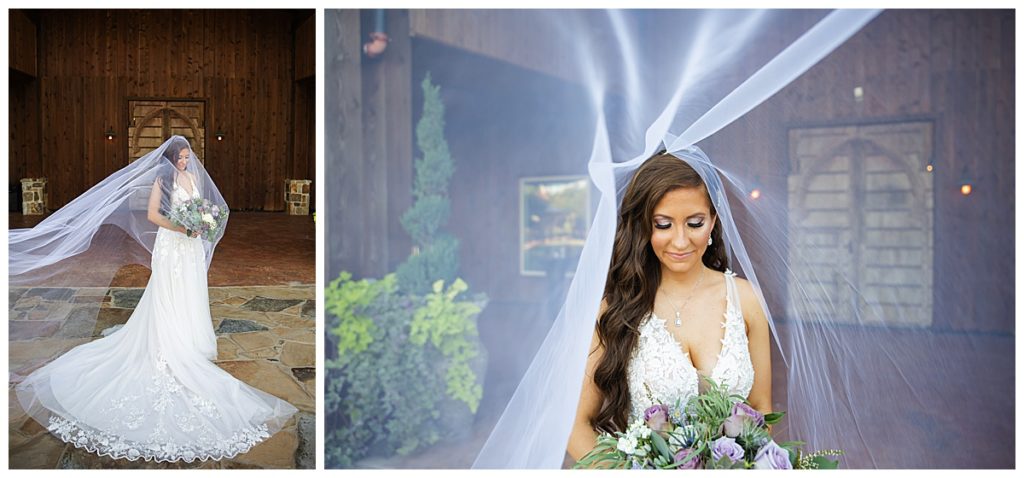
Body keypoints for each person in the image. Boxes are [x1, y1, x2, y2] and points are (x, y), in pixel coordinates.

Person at [13, 136, 296, 463]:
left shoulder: (192, 178)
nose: (186, 162)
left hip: (189, 247)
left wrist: (202, 224)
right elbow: (153, 216)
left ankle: (189, 338)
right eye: (182, 158)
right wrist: (182, 227)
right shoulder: (162, 181)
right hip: (172, 244)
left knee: (189, 290)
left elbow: (201, 209)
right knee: (167, 291)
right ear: (171, 158)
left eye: (189, 158)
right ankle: (167, 340)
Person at [566, 152, 772, 461]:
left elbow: (761, 409)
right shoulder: (616, 309)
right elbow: (575, 425)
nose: (680, 241)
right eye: (663, 225)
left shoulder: (746, 299)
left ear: (713, 220)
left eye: (694, 223)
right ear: (643, 227)